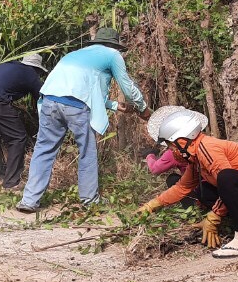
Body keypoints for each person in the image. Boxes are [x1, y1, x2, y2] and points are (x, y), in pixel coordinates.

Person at [16, 28, 150, 212]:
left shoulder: (76, 54)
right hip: (76, 106)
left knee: (43, 150)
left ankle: (29, 201)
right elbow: (127, 87)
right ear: (114, 44)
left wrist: (113, 105)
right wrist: (143, 108)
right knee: (87, 151)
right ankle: (90, 201)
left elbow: (82, 88)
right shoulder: (113, 54)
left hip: (49, 99)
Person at [136, 106, 238, 258]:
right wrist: (151, 206)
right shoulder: (196, 158)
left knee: (225, 177)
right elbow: (182, 188)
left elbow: (227, 182)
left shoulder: (208, 148)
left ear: (183, 142)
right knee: (203, 190)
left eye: (172, 146)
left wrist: (213, 218)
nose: (171, 151)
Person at [0, 53, 48, 189]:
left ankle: (2, 175)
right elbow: (42, 98)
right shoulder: (31, 73)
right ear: (36, 68)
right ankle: (11, 182)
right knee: (18, 138)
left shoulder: (8, 65)